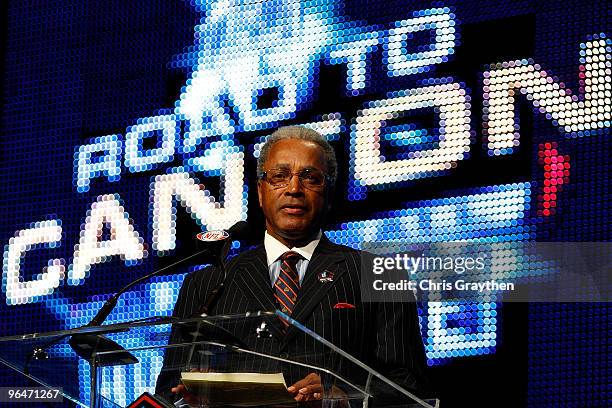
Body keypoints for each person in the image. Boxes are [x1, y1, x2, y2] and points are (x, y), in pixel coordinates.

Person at [155, 126, 429, 405]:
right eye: (280, 176)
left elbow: (409, 386)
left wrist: (346, 395)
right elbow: (168, 390)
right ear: (261, 192)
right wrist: (190, 397)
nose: (294, 189)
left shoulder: (378, 273)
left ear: (328, 193)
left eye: (311, 178)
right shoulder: (205, 284)